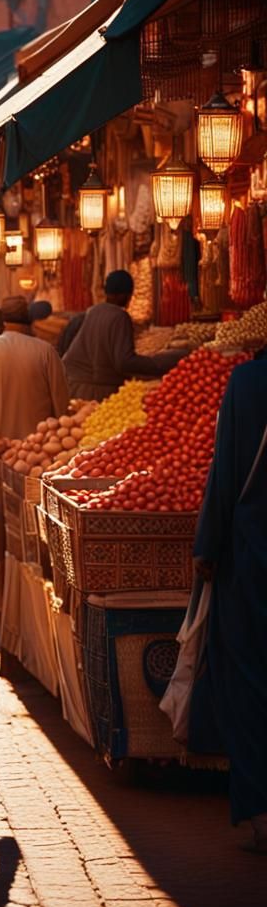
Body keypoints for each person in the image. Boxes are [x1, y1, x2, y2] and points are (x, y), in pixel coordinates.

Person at [191, 358, 267, 852]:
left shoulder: (247, 383)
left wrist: (206, 545)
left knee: (251, 681)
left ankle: (261, 811)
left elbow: (225, 472)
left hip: (255, 556)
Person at [0, 295, 69, 449]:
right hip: (36, 449)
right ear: (28, 318)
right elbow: (61, 403)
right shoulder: (46, 351)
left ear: (3, 320)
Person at [62, 270, 181, 400]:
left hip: (74, 384)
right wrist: (162, 363)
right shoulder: (120, 317)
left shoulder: (94, 311)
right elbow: (124, 362)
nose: (129, 299)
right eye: (129, 294)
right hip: (96, 390)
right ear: (123, 295)